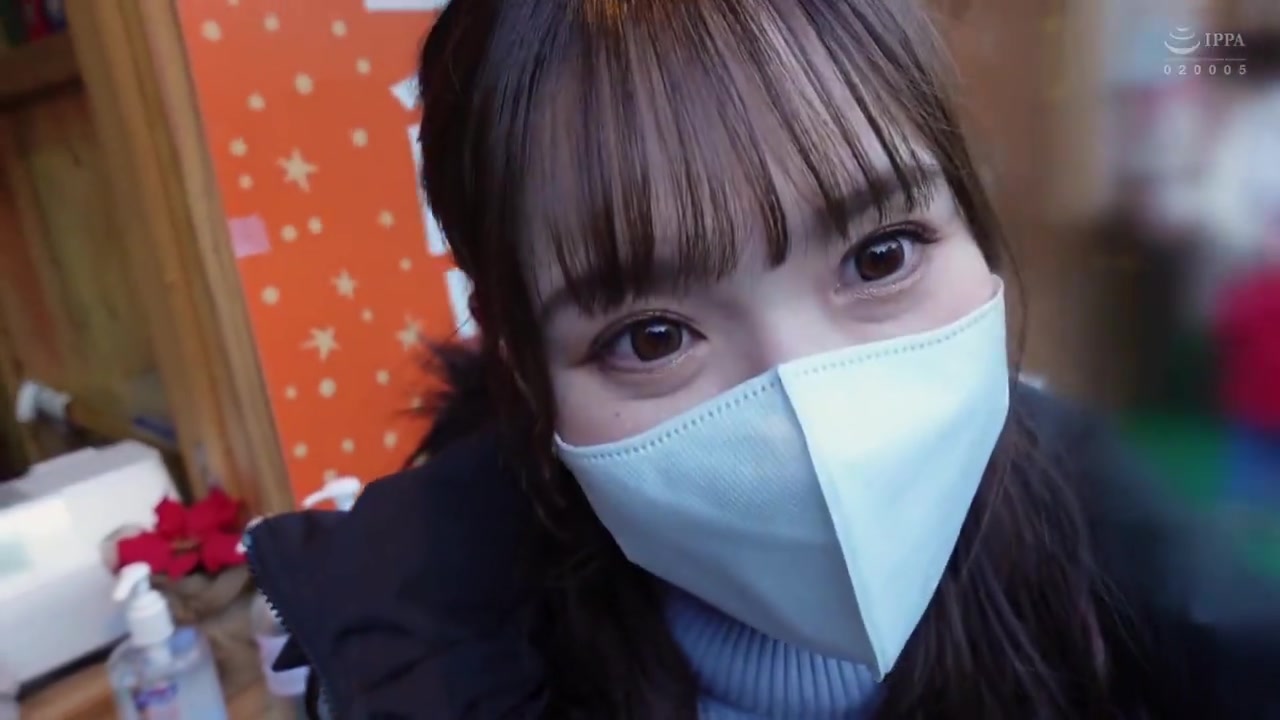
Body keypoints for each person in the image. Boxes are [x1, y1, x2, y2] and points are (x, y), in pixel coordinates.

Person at [245, 1, 1280, 717]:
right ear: (524, 368)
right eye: (651, 337)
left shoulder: (1183, 588)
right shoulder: (421, 659)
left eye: (880, 256)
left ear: (975, 223)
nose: (809, 429)